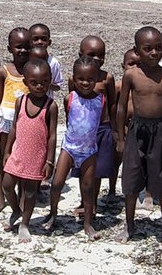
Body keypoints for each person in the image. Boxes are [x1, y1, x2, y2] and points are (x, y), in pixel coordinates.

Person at [115, 26, 162, 245]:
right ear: (137, 51)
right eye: (148, 49)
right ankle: (130, 225)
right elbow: (122, 108)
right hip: (137, 130)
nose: (154, 53)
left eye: (158, 48)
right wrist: (121, 138)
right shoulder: (131, 75)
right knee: (132, 181)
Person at [43, 56, 104, 241]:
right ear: (74, 79)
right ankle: (53, 213)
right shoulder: (70, 97)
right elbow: (70, 118)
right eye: (81, 79)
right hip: (69, 147)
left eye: (90, 79)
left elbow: (102, 121)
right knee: (56, 184)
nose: (85, 83)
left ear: (96, 79)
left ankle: (87, 223)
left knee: (87, 187)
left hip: (89, 151)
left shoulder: (101, 100)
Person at [2, 59, 58, 242]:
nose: (39, 86)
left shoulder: (51, 106)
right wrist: (7, 151)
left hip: (37, 156)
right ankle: (16, 211)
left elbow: (52, 136)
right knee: (7, 186)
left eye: (44, 81)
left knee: (30, 192)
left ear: (50, 80)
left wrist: (50, 161)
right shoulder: (21, 101)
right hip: (18, 153)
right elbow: (14, 128)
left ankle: (25, 224)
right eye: (34, 82)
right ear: (26, 82)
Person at [70, 36, 116, 213]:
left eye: (101, 55)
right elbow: (72, 104)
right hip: (82, 131)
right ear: (80, 54)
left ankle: (93, 203)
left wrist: (115, 130)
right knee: (82, 169)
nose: (97, 59)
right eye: (92, 54)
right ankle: (84, 201)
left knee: (96, 171)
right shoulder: (74, 79)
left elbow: (113, 104)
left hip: (102, 129)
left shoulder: (107, 78)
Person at [0, 27, 31, 213]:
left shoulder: (33, 70)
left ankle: (23, 198)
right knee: (3, 159)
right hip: (6, 119)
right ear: (9, 48)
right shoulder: (3, 71)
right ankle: (1, 197)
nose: (23, 50)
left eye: (26, 46)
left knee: (24, 160)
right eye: (18, 47)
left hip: (26, 122)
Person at [111, 49, 140, 200]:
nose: (135, 67)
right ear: (123, 66)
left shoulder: (144, 85)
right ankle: (111, 189)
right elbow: (114, 108)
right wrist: (116, 130)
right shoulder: (118, 87)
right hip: (123, 127)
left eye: (139, 64)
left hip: (140, 126)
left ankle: (147, 193)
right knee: (116, 160)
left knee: (142, 162)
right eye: (131, 64)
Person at [29, 23, 63, 98]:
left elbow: (58, 86)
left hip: (46, 103)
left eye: (44, 39)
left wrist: (46, 84)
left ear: (49, 42)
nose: (40, 42)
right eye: (35, 39)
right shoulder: (26, 61)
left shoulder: (53, 63)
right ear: (29, 41)